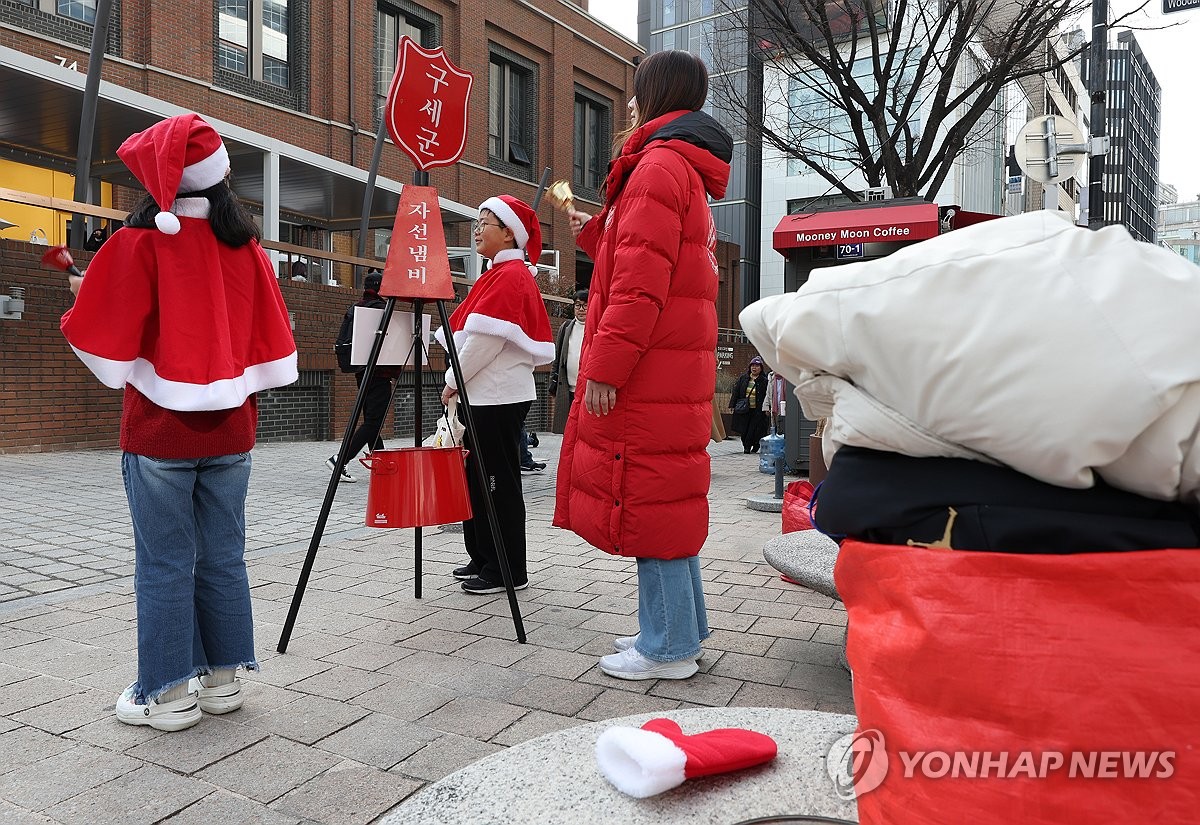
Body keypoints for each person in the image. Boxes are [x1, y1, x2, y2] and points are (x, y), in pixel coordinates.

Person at [60, 113, 298, 731]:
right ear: (219, 181)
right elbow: (269, 333)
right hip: (233, 431)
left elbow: (102, 332)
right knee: (224, 557)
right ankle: (221, 682)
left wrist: (83, 297)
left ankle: (165, 694)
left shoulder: (139, 242)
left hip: (159, 430)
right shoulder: (246, 248)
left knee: (164, 562)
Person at [554, 51, 733, 680]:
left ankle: (667, 649)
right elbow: (647, 260)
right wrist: (596, 231)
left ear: (656, 95)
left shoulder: (656, 165)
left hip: (648, 374)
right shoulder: (680, 167)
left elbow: (638, 290)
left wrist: (603, 367)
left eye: (636, 92)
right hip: (671, 376)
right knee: (668, 506)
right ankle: (681, 631)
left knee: (650, 505)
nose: (629, 103)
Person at [435, 195, 554, 594]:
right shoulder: (499, 273)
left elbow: (483, 343)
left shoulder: (510, 275)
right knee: (479, 479)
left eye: (486, 221)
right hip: (487, 394)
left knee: (495, 481)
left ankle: (507, 569)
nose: (477, 228)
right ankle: (485, 555)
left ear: (508, 233)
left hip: (496, 396)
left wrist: (452, 379)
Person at [326, 269, 400, 483]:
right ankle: (340, 459)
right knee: (373, 422)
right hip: (380, 372)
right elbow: (390, 342)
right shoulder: (380, 309)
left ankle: (382, 465)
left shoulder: (357, 307)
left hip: (361, 371)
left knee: (371, 421)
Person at [549, 289, 588, 435]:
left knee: (585, 430)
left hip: (586, 389)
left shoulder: (596, 327)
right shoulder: (566, 328)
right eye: (578, 305)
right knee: (569, 430)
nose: (581, 309)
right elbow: (558, 358)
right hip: (567, 388)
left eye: (585, 305)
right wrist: (553, 382)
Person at [730, 356, 769, 453]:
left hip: (758, 410)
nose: (754, 368)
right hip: (745, 409)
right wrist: (732, 404)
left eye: (757, 366)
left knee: (755, 429)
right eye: (752, 366)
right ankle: (746, 445)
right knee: (744, 429)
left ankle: (754, 445)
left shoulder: (764, 380)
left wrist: (767, 407)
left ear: (761, 368)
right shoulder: (744, 378)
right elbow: (736, 391)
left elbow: (768, 395)